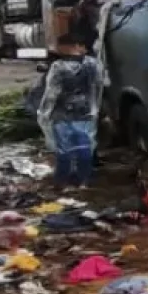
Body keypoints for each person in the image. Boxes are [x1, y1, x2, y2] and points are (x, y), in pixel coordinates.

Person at [39, 33, 103, 189]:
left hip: (62, 115)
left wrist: (44, 114)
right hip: (86, 113)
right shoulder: (93, 64)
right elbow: (99, 86)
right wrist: (95, 109)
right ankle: (84, 181)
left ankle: (62, 182)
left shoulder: (58, 67)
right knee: (84, 148)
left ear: (67, 46)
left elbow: (51, 94)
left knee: (64, 150)